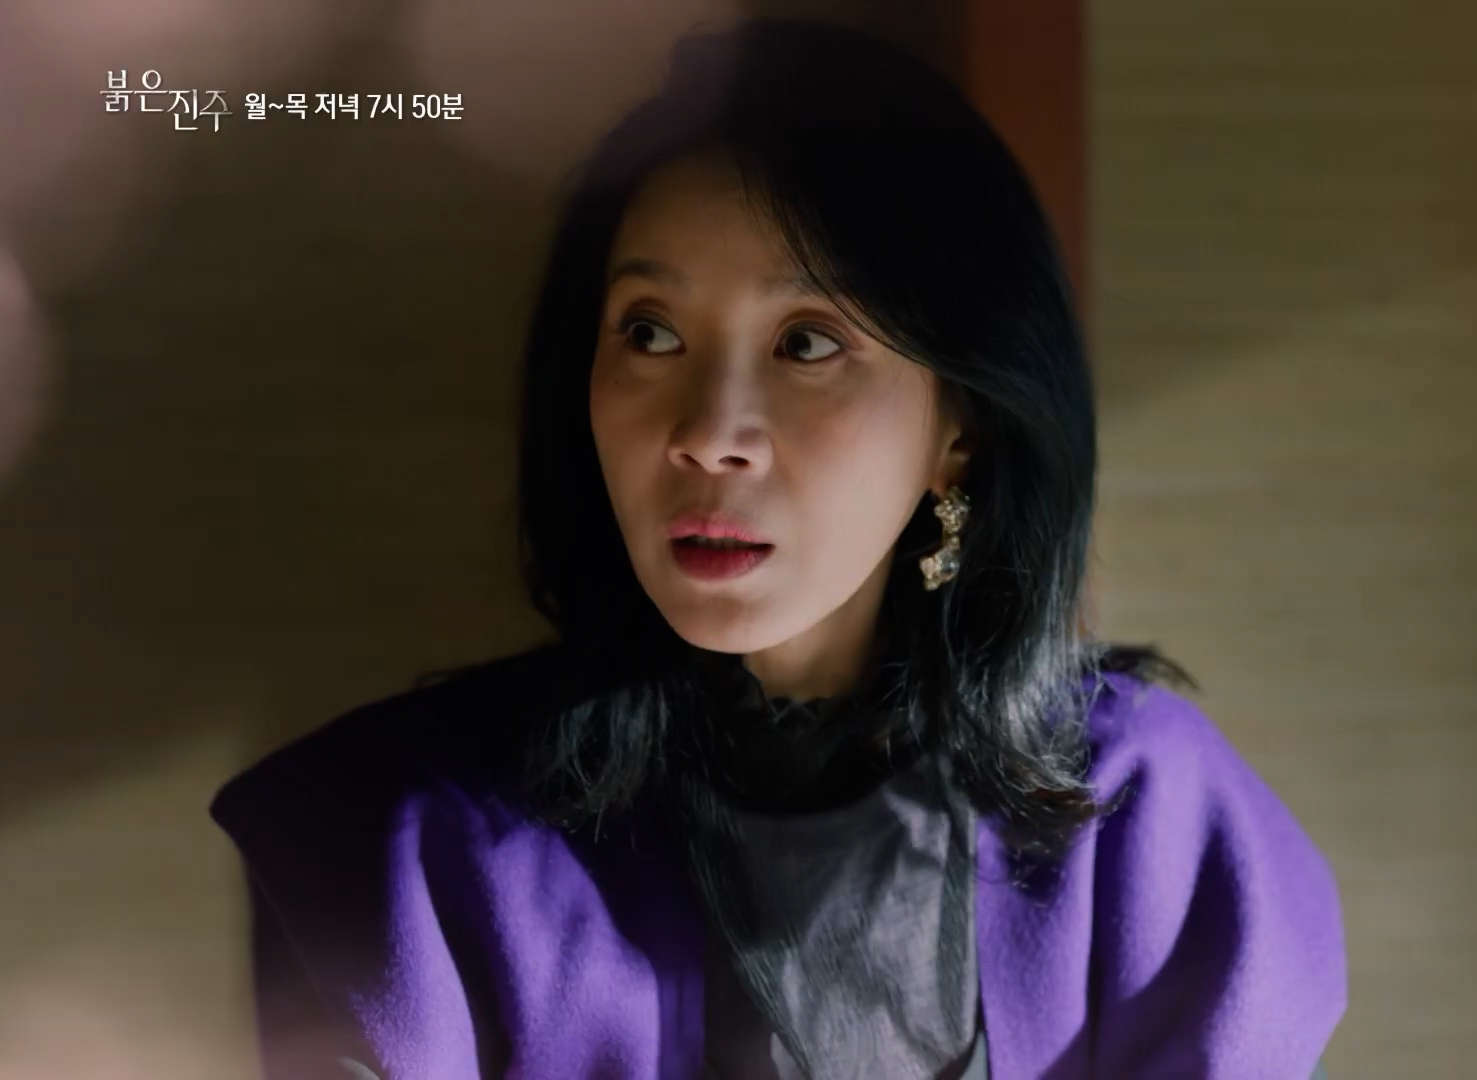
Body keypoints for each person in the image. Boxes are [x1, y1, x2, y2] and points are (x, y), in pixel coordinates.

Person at [210, 19, 1345, 1080]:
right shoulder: (406, 854)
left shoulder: (1149, 827)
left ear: (960, 427)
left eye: (807, 343)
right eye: (650, 332)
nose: (708, 433)